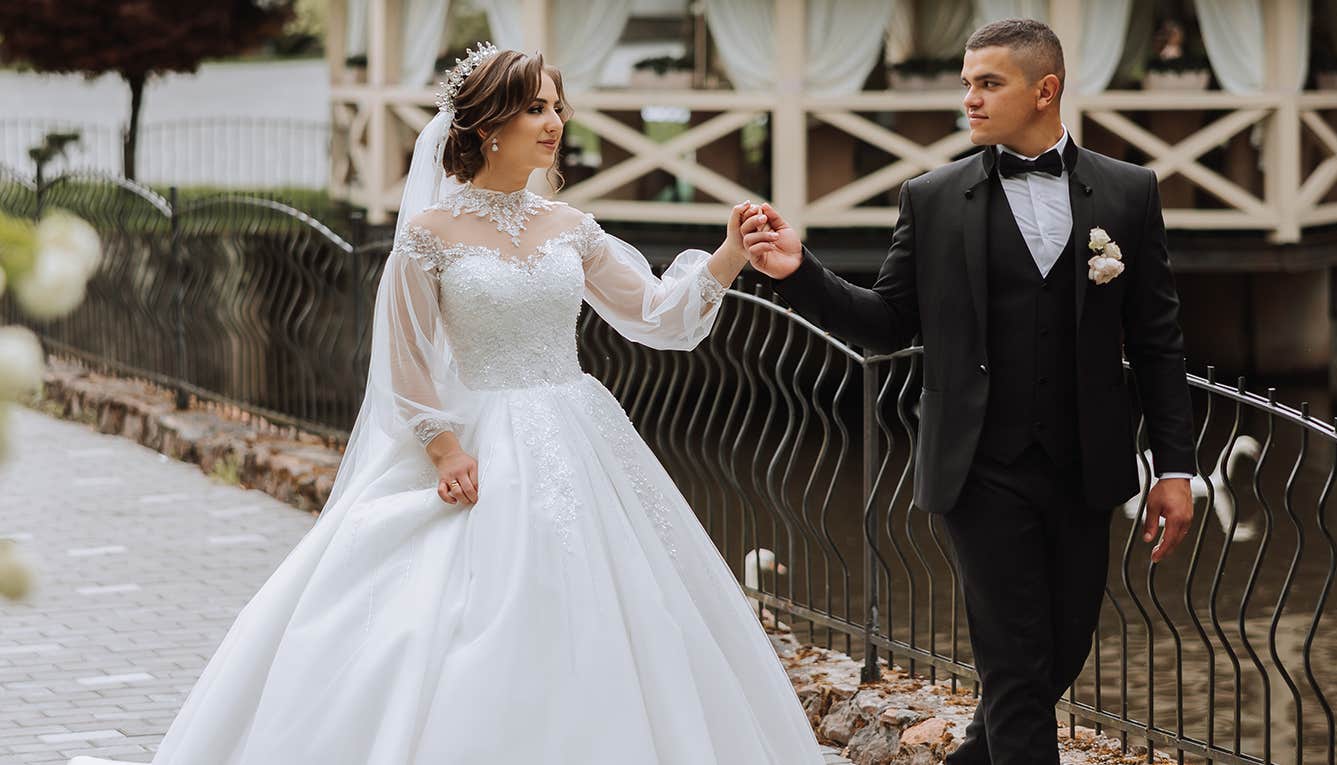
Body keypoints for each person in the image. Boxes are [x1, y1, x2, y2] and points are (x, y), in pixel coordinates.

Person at [71, 44, 825, 765]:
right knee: (458, 611)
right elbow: (402, 361)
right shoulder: (427, 237)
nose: (554, 122)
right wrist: (443, 446)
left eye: (557, 106)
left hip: (578, 431)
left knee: (617, 604)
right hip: (481, 438)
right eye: (535, 108)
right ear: (488, 125)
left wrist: (728, 254)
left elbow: (659, 315)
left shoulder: (571, 227)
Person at [739, 19, 1196, 765]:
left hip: (1088, 467)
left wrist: (1174, 468)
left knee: (1059, 650)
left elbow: (1156, 342)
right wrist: (801, 273)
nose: (969, 100)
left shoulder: (1129, 192)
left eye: (988, 83)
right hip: (979, 467)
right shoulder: (933, 198)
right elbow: (885, 323)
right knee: (1017, 665)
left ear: (1045, 90)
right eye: (966, 83)